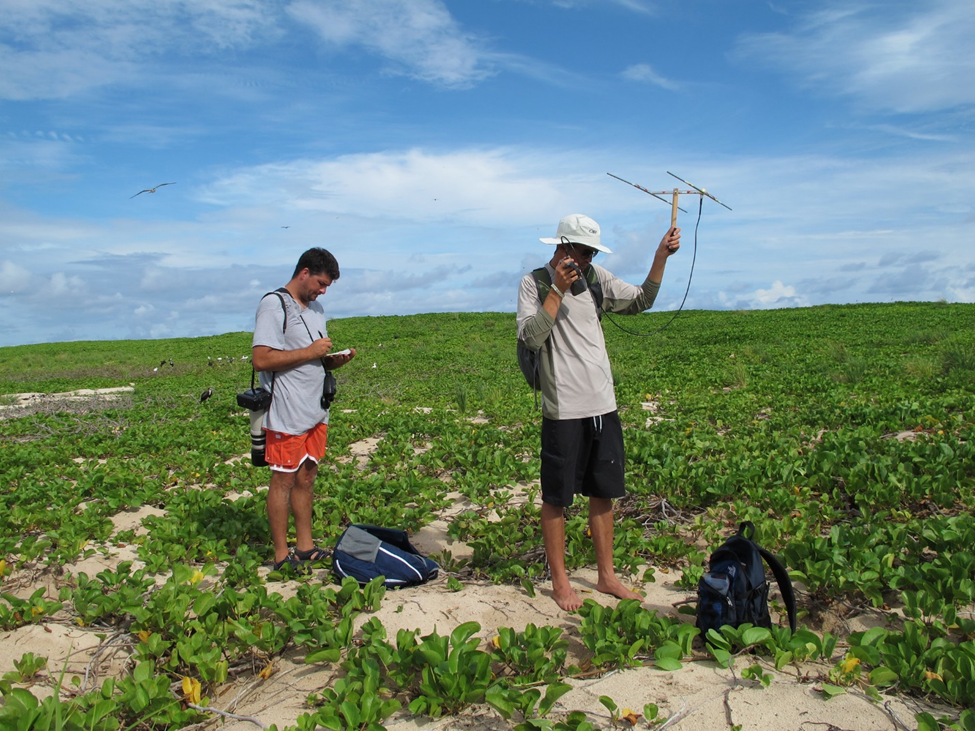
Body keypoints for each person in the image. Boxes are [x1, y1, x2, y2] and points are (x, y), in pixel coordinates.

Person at [516, 213, 681, 610]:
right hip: (563, 407)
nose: (587, 260)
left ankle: (606, 576)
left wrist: (660, 256)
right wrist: (556, 290)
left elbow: (641, 301)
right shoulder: (533, 283)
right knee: (556, 496)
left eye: (592, 253)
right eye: (583, 251)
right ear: (562, 247)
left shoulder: (597, 278)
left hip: (602, 403)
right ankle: (560, 581)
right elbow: (531, 337)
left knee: (603, 491)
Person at [252, 248, 356, 573]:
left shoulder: (317, 309)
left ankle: (306, 547)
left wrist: (329, 360)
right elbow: (262, 359)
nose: (323, 291)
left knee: (307, 477)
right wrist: (310, 351)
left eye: (327, 287)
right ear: (304, 272)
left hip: (316, 410)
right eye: (321, 283)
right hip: (287, 411)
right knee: (282, 481)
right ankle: (282, 556)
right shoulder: (273, 304)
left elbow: (310, 356)